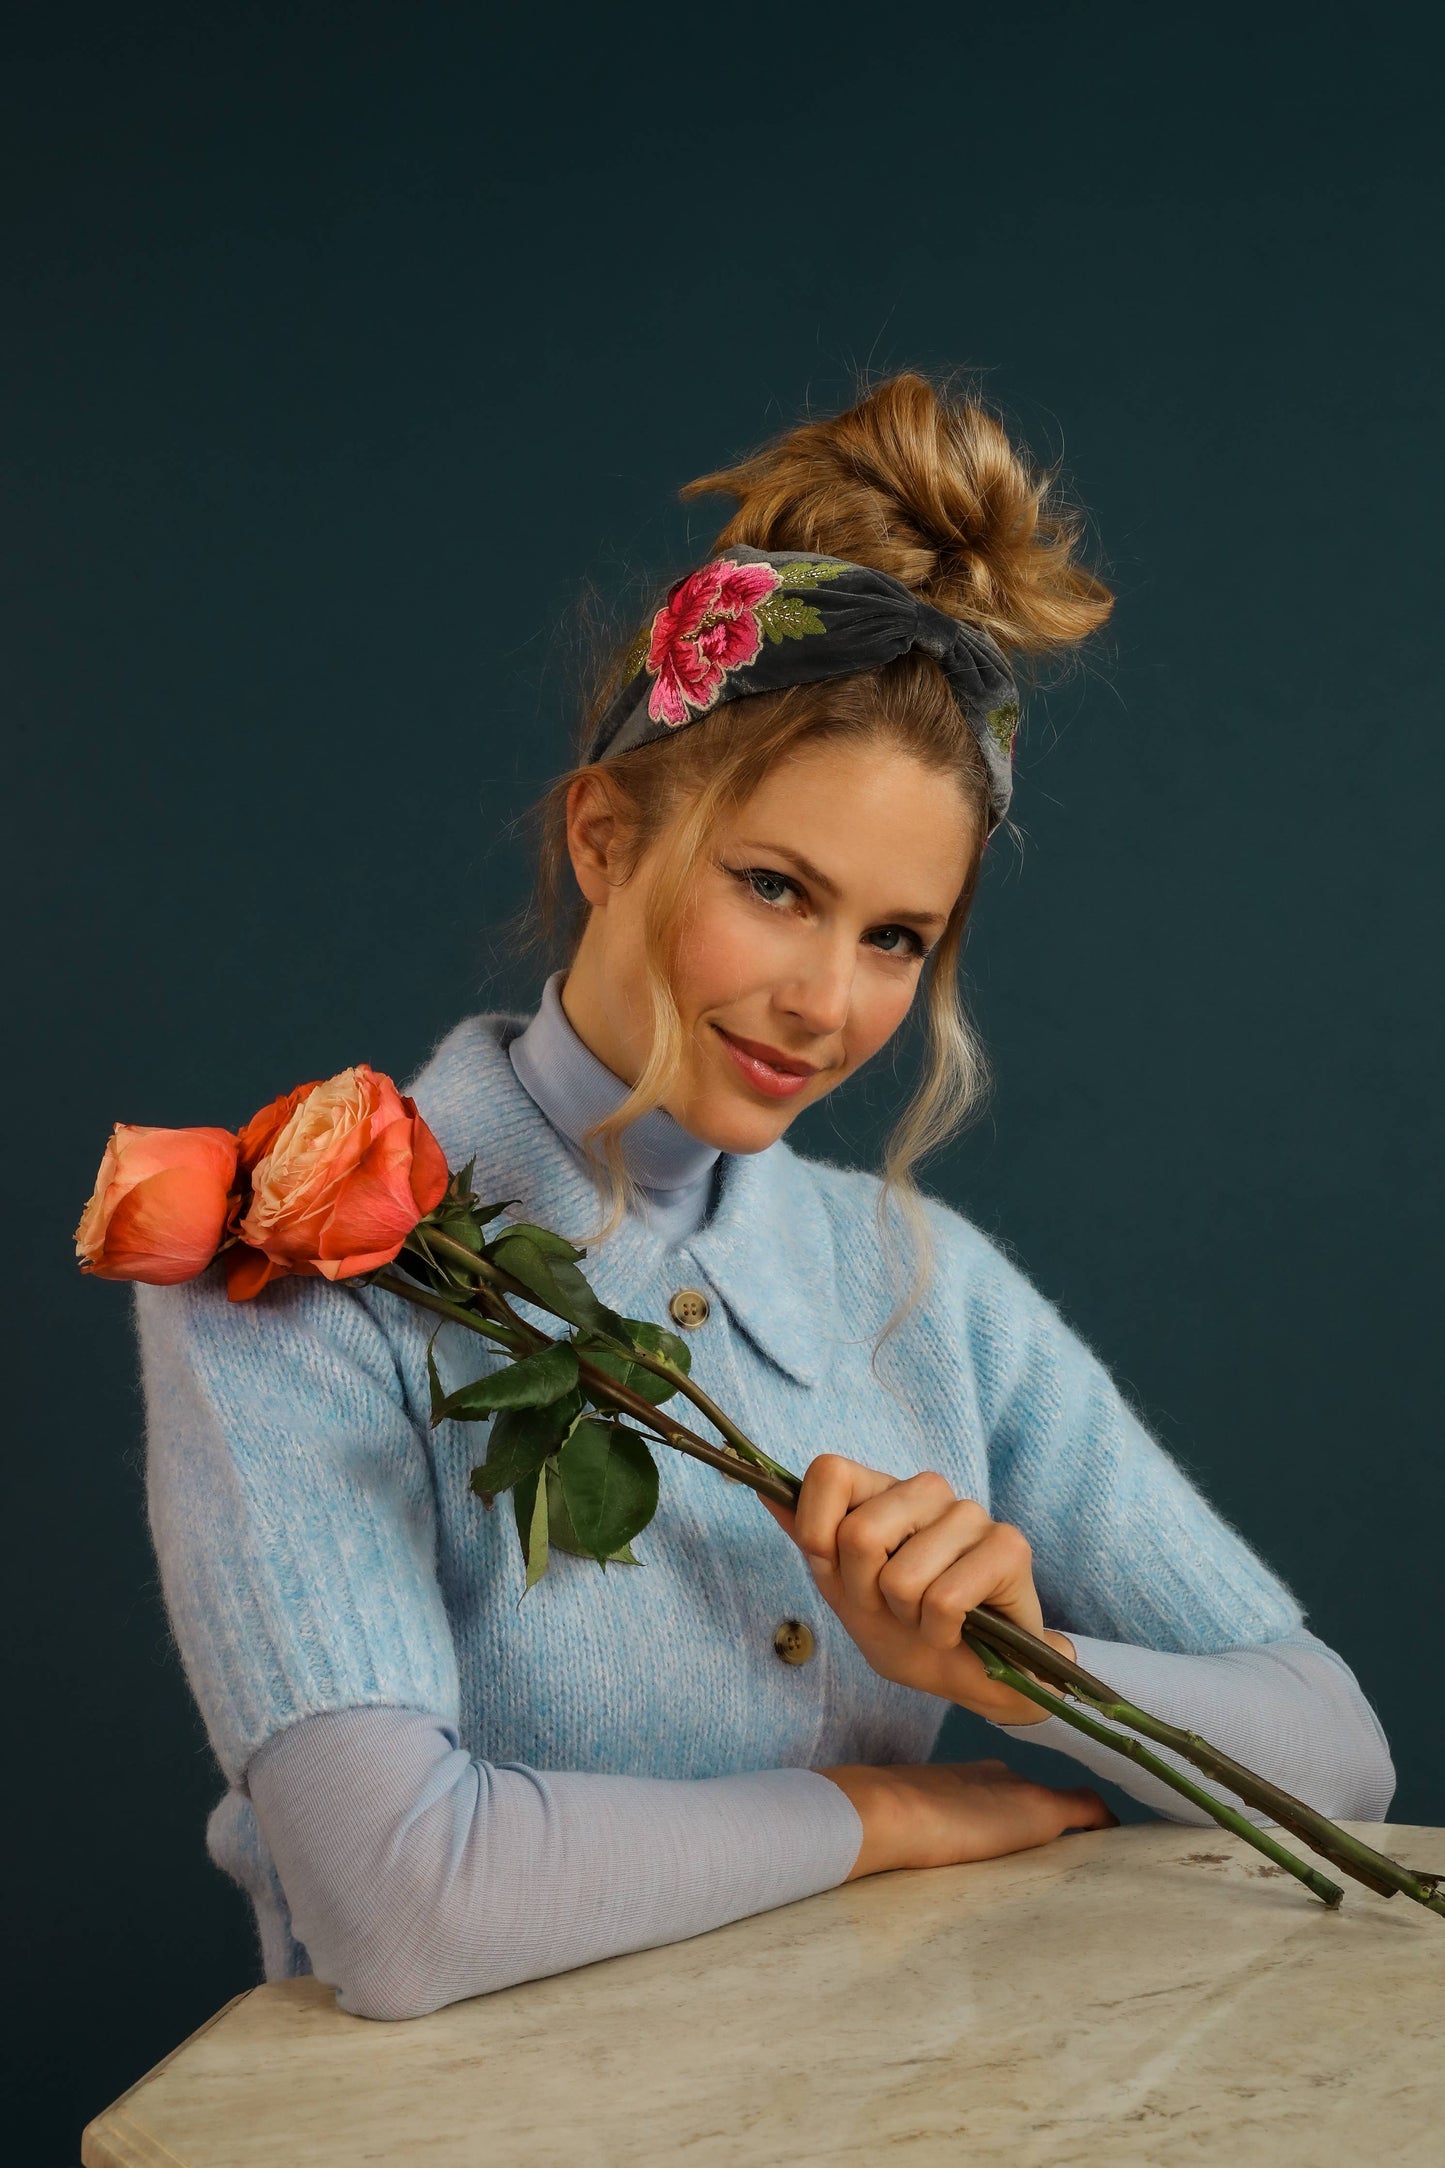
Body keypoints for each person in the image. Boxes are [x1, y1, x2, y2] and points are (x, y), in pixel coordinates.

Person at [136, 372, 1394, 2023]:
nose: (825, 1002)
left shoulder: (917, 1282)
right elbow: (400, 1903)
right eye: (775, 888)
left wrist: (1010, 1681)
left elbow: (1339, 1756)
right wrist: (874, 1812)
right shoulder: (298, 1265)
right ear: (603, 836)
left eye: (894, 939)